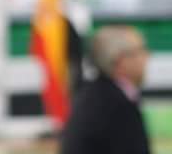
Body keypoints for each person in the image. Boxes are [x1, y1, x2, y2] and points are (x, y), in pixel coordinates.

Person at [60, 25, 151, 154]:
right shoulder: (117, 105)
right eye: (140, 51)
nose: (147, 57)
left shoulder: (92, 95)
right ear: (121, 61)